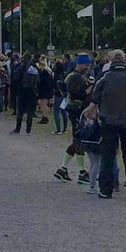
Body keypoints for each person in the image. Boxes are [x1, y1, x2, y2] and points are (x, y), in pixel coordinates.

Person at [92, 50, 126, 199]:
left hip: (108, 121)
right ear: (124, 60)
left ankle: (106, 189)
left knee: (108, 156)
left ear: (111, 61)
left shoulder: (105, 77)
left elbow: (95, 95)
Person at [53, 54, 93, 184]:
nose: (88, 67)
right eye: (86, 64)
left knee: (77, 140)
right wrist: (89, 89)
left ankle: (63, 169)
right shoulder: (75, 77)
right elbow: (77, 93)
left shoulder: (73, 75)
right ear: (80, 64)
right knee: (79, 140)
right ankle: (81, 172)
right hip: (77, 110)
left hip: (75, 109)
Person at [11, 54, 38, 135]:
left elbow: (15, 78)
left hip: (22, 91)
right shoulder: (34, 67)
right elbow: (38, 80)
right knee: (30, 111)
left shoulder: (21, 67)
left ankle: (17, 129)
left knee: (20, 111)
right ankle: (28, 130)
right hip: (32, 91)